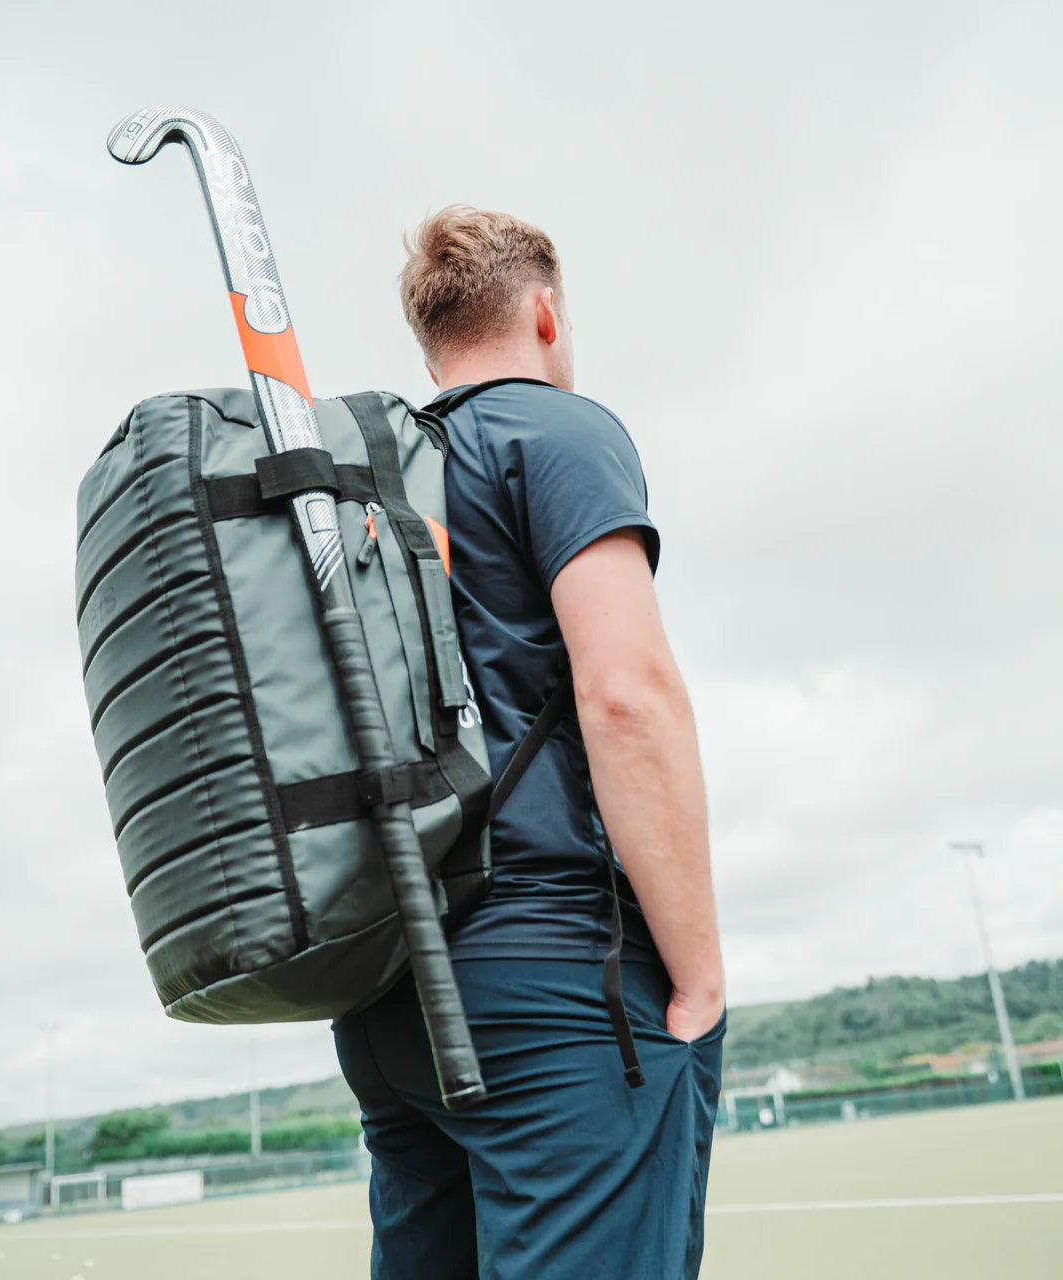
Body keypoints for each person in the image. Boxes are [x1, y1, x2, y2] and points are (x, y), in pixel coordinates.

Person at [332, 206, 726, 1280]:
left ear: (430, 341)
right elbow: (625, 695)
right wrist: (696, 973)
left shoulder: (371, 483)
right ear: (543, 313)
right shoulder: (555, 430)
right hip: (552, 983)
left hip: (390, 994)